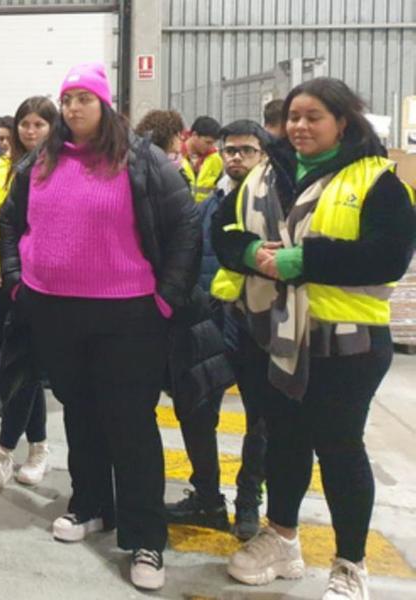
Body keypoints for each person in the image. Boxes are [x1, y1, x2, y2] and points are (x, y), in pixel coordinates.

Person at [211, 77, 416, 599]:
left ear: (342, 122)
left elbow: (389, 256)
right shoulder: (262, 174)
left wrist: (302, 261)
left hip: (346, 342)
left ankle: (351, 565)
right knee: (283, 439)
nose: (300, 126)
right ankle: (281, 538)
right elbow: (224, 230)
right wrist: (251, 253)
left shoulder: (379, 181)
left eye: (314, 117)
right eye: (294, 117)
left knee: (339, 447)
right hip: (271, 333)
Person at [0, 62, 198, 590]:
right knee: (81, 414)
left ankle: (146, 538)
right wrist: (19, 282)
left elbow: (185, 229)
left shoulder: (141, 159)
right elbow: (11, 220)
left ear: (105, 104)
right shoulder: (42, 160)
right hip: (55, 311)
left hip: (128, 314)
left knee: (130, 423)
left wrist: (166, 298)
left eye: (84, 98)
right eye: (67, 100)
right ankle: (90, 506)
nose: (73, 109)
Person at [164, 119, 270, 540]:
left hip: (258, 328)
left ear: (263, 154)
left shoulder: (275, 208)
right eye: (230, 150)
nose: (237, 157)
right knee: (194, 411)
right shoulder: (208, 205)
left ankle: (248, 503)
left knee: (260, 421)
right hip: (208, 326)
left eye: (247, 150)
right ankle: (207, 497)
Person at [0, 96, 57, 491]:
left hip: (36, 283)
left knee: (31, 366)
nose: (30, 130)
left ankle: (21, 449)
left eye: (40, 124)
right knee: (12, 369)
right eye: (25, 122)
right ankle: (36, 446)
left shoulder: (57, 171)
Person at [183, 116, 224, 203]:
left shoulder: (216, 159)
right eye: (208, 142)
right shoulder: (175, 155)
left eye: (213, 143)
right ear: (194, 135)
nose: (211, 146)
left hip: (206, 212)